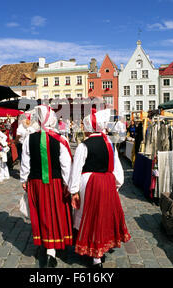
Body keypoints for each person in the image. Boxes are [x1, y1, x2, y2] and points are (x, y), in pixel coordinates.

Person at [69, 108, 131, 268]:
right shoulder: (110, 143)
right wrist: (115, 186)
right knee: (102, 216)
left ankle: (94, 255)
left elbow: (76, 169)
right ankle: (100, 251)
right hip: (107, 182)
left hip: (89, 183)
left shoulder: (84, 146)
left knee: (89, 217)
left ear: (88, 127)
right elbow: (117, 168)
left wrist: (73, 190)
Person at [20, 105, 74, 268]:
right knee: (55, 212)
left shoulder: (29, 138)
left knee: (42, 212)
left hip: (36, 183)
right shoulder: (61, 140)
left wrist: (23, 179)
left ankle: (46, 245)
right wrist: (68, 184)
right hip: (56, 183)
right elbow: (66, 166)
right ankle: (52, 250)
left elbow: (25, 162)